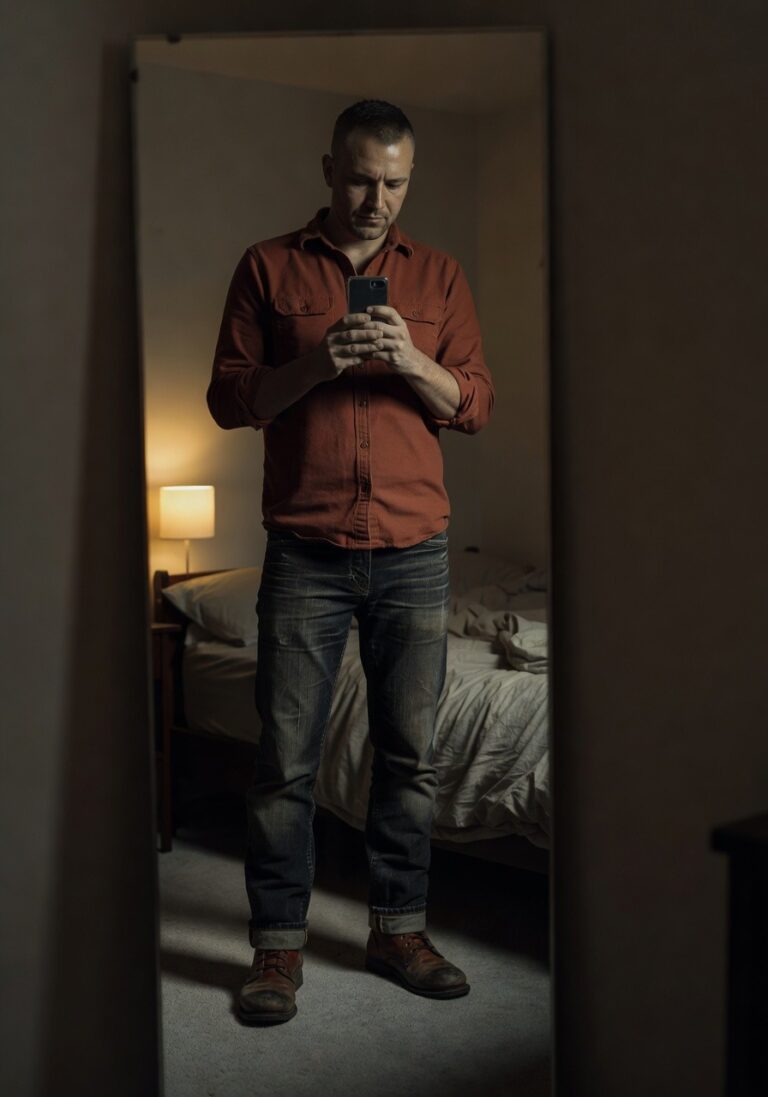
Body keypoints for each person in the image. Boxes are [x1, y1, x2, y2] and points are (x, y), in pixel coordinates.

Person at [206, 99, 495, 1026]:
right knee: (284, 762)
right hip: (305, 549)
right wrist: (320, 361)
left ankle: (397, 929)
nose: (379, 199)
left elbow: (476, 402)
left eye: (397, 181)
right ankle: (276, 950)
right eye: (364, 177)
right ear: (329, 168)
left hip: (416, 552)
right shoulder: (268, 266)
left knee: (409, 760)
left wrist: (409, 358)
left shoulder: (440, 275)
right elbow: (229, 397)